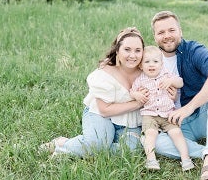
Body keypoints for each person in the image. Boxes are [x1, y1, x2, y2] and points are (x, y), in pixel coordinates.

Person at [150, 11, 208, 180]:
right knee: (155, 143)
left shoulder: (193, 50)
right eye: (161, 32)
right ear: (154, 36)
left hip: (200, 116)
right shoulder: (149, 59)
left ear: (180, 31)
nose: (167, 36)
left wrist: (188, 108)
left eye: (171, 30)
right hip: (174, 126)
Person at [40, 27, 146, 157]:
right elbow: (104, 110)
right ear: (117, 51)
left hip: (129, 121)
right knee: (97, 144)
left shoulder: (147, 71)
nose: (132, 55)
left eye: (137, 50)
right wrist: (137, 104)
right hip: (101, 116)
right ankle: (62, 145)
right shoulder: (105, 73)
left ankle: (89, 147)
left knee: (131, 150)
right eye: (127, 50)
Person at [130, 46, 195, 171]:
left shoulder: (166, 75)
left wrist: (171, 81)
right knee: (150, 134)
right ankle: (151, 160)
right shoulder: (140, 79)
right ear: (141, 66)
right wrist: (136, 94)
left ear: (161, 64)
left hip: (168, 113)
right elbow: (132, 91)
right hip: (150, 114)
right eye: (147, 61)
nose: (151, 65)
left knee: (176, 133)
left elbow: (180, 82)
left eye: (155, 61)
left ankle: (185, 159)